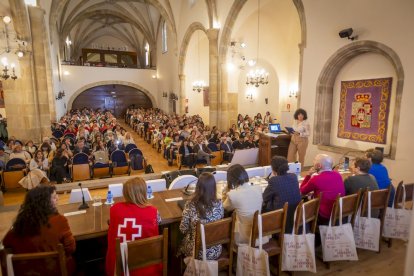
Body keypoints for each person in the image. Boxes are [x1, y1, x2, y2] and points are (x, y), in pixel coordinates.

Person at [3, 185, 76, 274]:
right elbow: (71, 248)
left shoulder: (19, 225)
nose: (58, 198)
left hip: (26, 273)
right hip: (56, 271)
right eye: (53, 197)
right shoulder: (59, 220)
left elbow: (5, 244)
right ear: (44, 202)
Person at [106, 177, 162, 276]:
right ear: (144, 192)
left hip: (120, 265)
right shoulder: (153, 211)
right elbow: (158, 223)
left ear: (125, 193)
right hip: (146, 265)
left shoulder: (114, 209)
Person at [179, 173, 224, 259]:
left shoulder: (190, 205)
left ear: (198, 187)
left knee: (180, 242)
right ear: (214, 188)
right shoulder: (219, 204)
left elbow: (183, 229)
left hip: (197, 251)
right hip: (216, 250)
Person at [223, 164, 263, 245]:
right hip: (259, 232)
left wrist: (226, 191)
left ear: (230, 179)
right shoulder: (258, 188)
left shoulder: (233, 194)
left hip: (242, 236)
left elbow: (225, 208)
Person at [300, 154, 345, 224]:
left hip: (323, 214)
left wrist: (308, 175)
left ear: (319, 166)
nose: (313, 162)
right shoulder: (338, 175)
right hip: (338, 211)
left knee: (302, 201)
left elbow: (302, 191)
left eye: (314, 160)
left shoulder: (316, 179)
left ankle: (306, 229)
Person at [263, 156, 301, 232]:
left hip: (280, 215)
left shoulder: (274, 180)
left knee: (263, 206)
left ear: (273, 169)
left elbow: (265, 197)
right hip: (295, 213)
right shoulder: (293, 176)